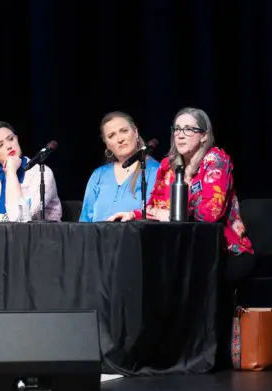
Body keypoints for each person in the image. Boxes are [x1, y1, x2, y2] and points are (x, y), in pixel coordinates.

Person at [107, 107, 254, 370]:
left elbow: (210, 214)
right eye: (177, 129)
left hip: (225, 251)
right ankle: (158, 353)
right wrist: (134, 213)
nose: (181, 134)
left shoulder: (216, 161)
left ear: (204, 135)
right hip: (183, 253)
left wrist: (173, 211)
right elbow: (155, 207)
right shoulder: (167, 166)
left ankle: (198, 355)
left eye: (189, 129)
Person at [0, 121, 61, 222]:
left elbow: (20, 218)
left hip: (36, 236)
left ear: (17, 139)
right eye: (0, 145)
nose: (9, 146)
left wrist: (11, 172)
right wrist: (3, 219)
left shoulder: (42, 173)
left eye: (11, 139)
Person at [79, 111, 159, 222]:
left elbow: (159, 215)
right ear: (107, 144)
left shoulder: (155, 171)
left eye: (124, 131)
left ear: (135, 132)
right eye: (111, 135)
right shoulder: (98, 175)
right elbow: (84, 221)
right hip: (98, 238)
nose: (120, 139)